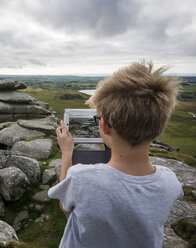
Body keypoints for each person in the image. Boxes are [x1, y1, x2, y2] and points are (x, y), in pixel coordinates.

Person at [48, 61, 184, 248]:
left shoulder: (81, 179)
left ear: (104, 125)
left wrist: (67, 155)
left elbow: (65, 206)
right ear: (158, 127)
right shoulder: (171, 182)